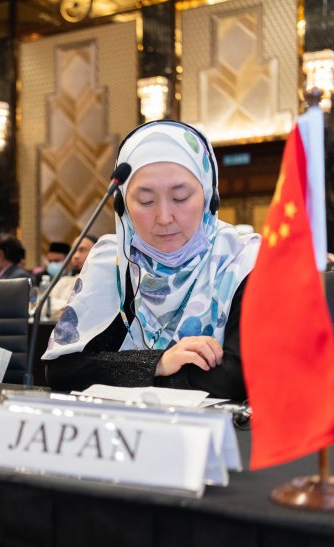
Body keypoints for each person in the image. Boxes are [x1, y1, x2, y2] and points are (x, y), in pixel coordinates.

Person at [43, 121, 260, 400]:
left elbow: (234, 378)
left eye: (181, 197)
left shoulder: (242, 260)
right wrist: (157, 363)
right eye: (145, 201)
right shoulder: (113, 261)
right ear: (123, 206)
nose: (164, 217)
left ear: (209, 197)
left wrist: (127, 377)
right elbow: (62, 369)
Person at [47, 235, 97, 320]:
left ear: (97, 252)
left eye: (82, 250)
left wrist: (63, 309)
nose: (75, 256)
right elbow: (46, 305)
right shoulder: (64, 281)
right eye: (73, 251)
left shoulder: (102, 284)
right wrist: (72, 308)